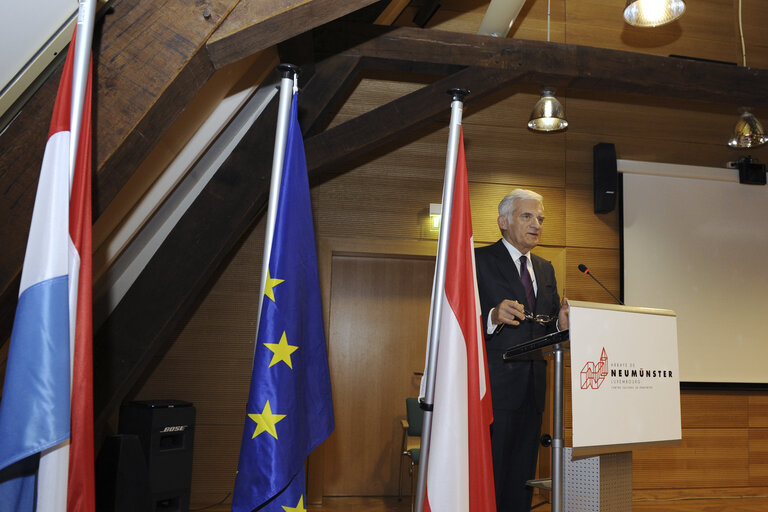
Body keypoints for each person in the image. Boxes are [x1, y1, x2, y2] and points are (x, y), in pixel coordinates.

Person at [474, 188, 569, 512]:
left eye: (540, 218)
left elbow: (546, 326)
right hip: (495, 387)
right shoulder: (478, 260)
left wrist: (561, 325)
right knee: (493, 470)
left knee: (523, 475)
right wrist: (490, 316)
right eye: (527, 216)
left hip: (534, 386)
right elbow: (455, 322)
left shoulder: (545, 268)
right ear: (503, 221)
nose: (536, 224)